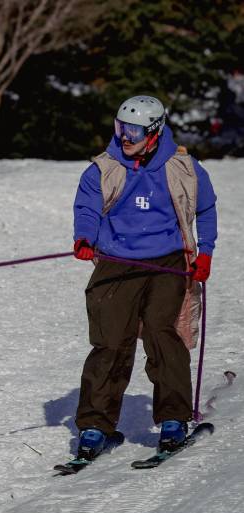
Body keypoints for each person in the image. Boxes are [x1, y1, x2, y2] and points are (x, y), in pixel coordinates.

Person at [70, 95, 218, 460]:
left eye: (133, 130)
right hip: (117, 261)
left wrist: (206, 252)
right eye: (120, 128)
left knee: (160, 330)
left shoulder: (183, 168)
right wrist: (85, 238)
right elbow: (87, 208)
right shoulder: (102, 170)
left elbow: (206, 207)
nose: (125, 137)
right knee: (110, 340)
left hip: (167, 261)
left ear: (154, 131)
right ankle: (95, 426)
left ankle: (173, 419)